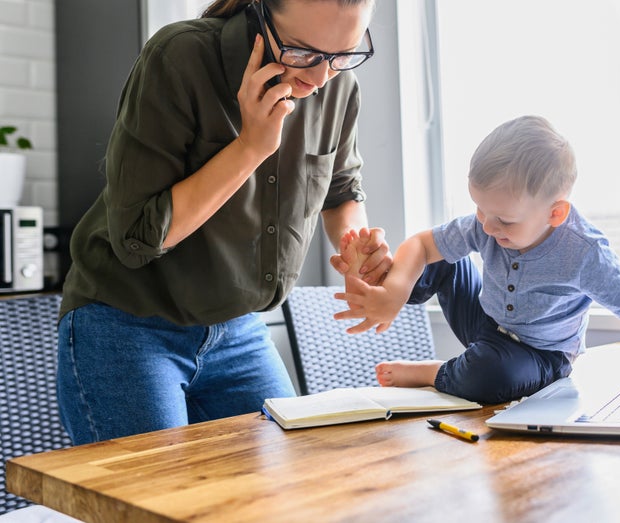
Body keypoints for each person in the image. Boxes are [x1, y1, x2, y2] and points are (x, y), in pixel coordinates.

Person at [56, 0, 392, 445]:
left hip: (237, 328)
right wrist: (251, 147)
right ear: (260, 14)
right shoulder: (180, 58)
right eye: (303, 53)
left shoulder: (337, 84)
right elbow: (137, 236)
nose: (319, 79)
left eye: (344, 54)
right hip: (128, 322)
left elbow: (341, 187)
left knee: (282, 499)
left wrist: (354, 246)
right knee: (154, 508)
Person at [335, 115, 620, 405]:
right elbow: (422, 244)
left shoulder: (583, 252)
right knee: (442, 256)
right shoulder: (488, 222)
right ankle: (382, 292)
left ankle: (434, 372)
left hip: (540, 357)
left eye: (504, 221)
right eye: (480, 210)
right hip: (486, 325)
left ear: (555, 213)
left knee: (491, 375)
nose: (487, 226)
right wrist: (396, 290)